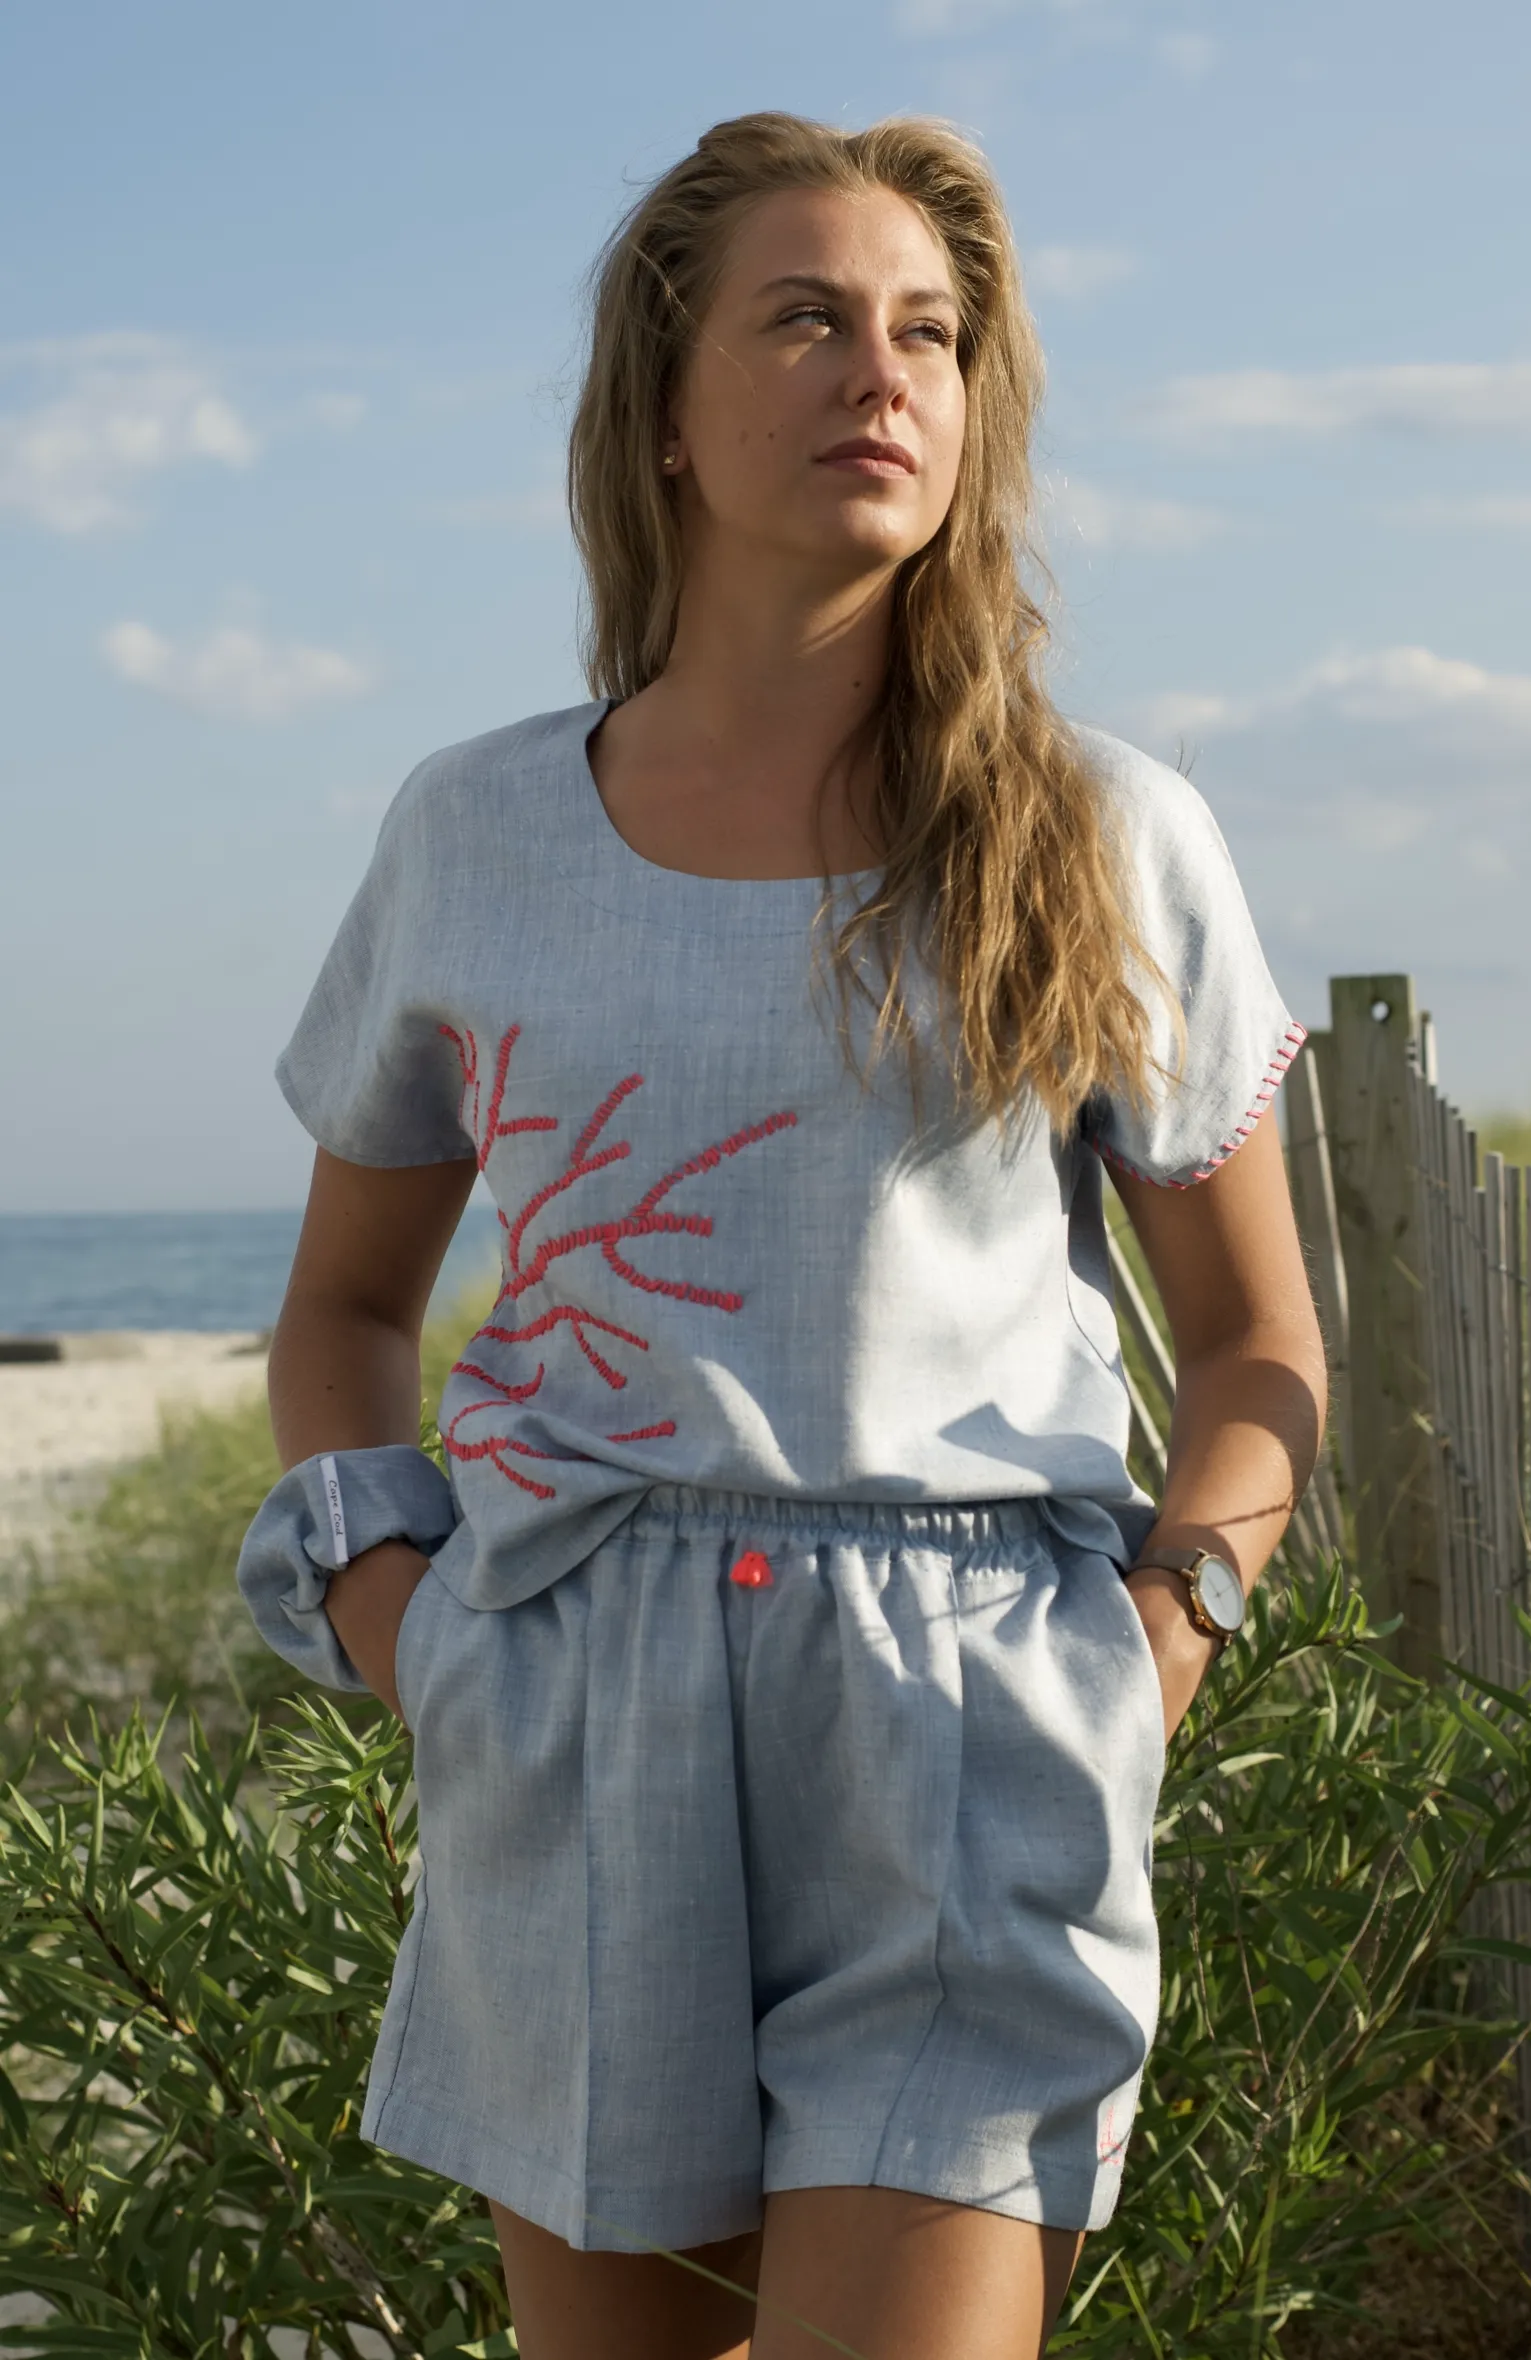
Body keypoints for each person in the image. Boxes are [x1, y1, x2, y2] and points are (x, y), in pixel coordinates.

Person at [238, 109, 1326, 2360]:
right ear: (661, 414)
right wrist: (404, 1623)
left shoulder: (1107, 831)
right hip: (573, 1703)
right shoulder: (476, 830)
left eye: (931, 331)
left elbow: (1256, 1350)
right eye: (810, 319)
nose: (883, 372)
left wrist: (1154, 1648)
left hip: (971, 1720)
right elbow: (348, 1307)